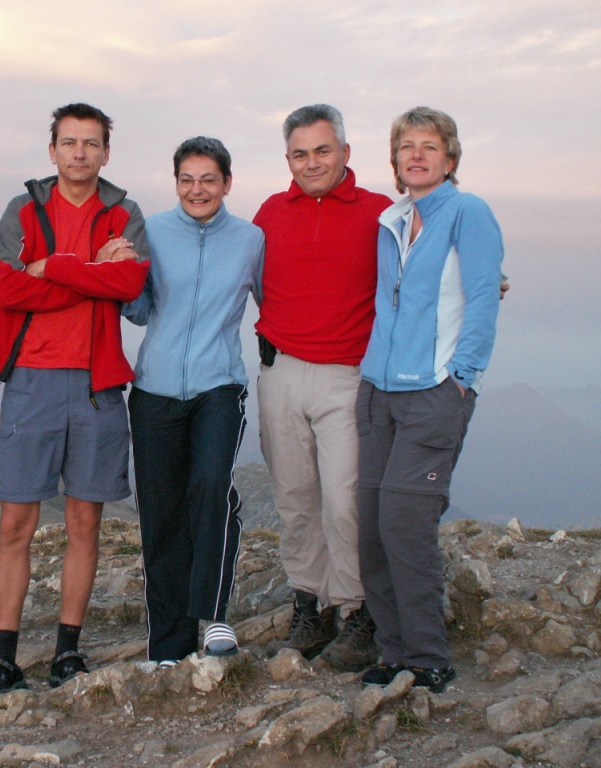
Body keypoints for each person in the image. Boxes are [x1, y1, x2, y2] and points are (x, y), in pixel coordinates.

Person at [0, 103, 149, 700]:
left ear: (105, 153)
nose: (79, 153)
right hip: (32, 381)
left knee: (84, 522)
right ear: (52, 151)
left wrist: (51, 268)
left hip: (97, 384)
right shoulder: (22, 210)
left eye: (91, 143)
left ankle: (67, 651)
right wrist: (91, 272)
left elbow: (129, 283)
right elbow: (9, 288)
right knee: (15, 522)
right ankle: (3, 658)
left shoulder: (124, 213)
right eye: (69, 142)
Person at [357, 107, 503, 693]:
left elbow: (484, 296)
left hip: (433, 395)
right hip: (378, 392)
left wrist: (461, 378)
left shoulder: (468, 212)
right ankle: (393, 650)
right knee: (371, 529)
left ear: (450, 158)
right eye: (407, 146)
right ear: (395, 159)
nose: (416, 154)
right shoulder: (392, 219)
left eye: (430, 145)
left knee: (405, 524)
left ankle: (428, 656)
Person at [253, 105, 391, 670]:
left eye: (322, 151)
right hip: (281, 372)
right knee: (295, 498)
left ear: (345, 153)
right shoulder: (269, 212)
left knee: (343, 498)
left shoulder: (379, 212)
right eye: (300, 153)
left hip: (346, 377)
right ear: (288, 159)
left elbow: (428, 258)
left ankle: (356, 610)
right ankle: (309, 605)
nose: (311, 163)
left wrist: (483, 277)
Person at [124, 137, 264, 664]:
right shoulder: (152, 231)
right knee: (160, 513)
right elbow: (139, 310)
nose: (197, 189)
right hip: (154, 389)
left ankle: (213, 614)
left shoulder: (250, 239)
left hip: (219, 386)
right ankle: (169, 644)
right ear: (176, 182)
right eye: (187, 179)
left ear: (227, 183)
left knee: (209, 486)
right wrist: (121, 273)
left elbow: (279, 300)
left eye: (208, 179)